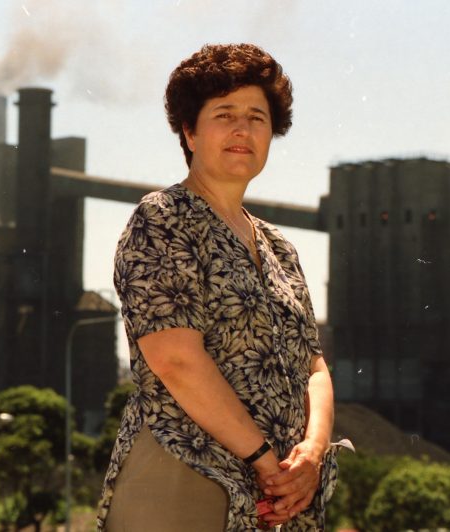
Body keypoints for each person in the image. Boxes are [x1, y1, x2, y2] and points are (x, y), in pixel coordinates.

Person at [97, 43, 338, 531]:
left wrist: (311, 455)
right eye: (224, 114)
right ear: (189, 130)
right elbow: (177, 360)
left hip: (279, 498)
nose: (242, 129)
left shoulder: (278, 247)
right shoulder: (164, 219)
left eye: (257, 117)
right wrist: (268, 463)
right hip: (187, 476)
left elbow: (314, 365)